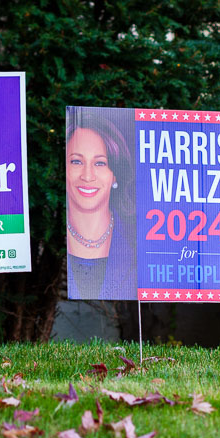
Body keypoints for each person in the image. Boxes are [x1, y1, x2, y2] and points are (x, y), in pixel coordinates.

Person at [65, 111, 137, 300]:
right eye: (76, 161)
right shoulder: (51, 244)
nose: (87, 176)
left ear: (115, 173)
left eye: (100, 163)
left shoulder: (137, 242)